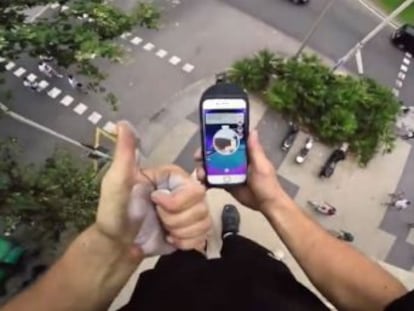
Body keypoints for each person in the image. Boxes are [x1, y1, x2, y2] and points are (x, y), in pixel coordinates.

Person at [1, 121, 413, 311]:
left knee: (181, 258)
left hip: (167, 294)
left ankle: (195, 249)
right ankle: (225, 241)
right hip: (264, 284)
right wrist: (273, 202)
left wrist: (116, 247)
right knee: (241, 254)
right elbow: (388, 304)